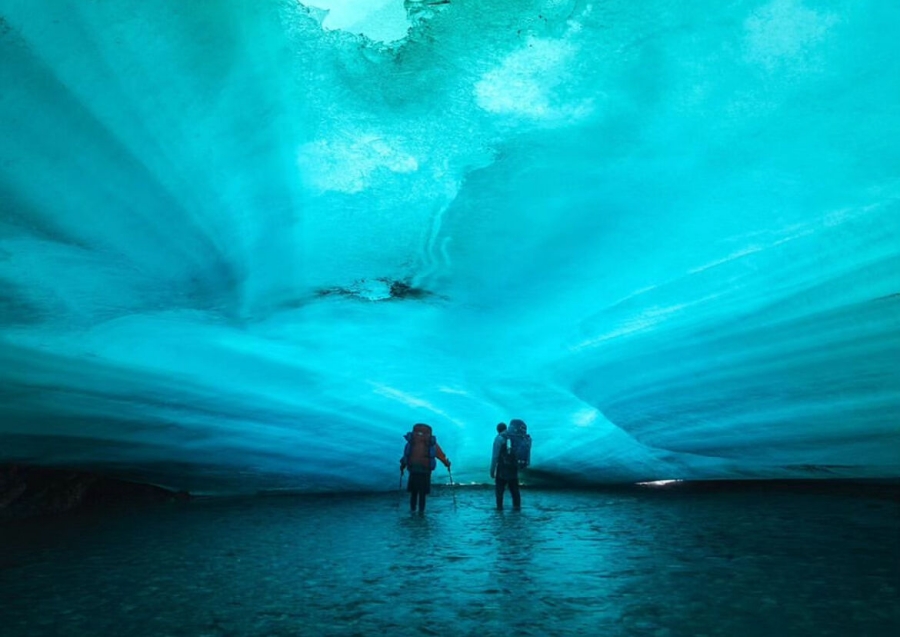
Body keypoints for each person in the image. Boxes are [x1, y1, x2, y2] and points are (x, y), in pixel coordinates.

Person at [400, 423, 450, 513]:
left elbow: (406, 455)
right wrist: (447, 464)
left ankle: (412, 511)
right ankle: (421, 512)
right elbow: (440, 455)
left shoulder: (411, 442)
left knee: (413, 493)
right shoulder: (431, 443)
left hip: (413, 470)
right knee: (422, 493)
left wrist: (403, 466)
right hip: (425, 471)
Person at [491, 422, 521, 510]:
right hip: (513, 469)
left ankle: (499, 510)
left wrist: (492, 470)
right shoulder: (513, 437)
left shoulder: (499, 438)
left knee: (499, 492)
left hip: (502, 469)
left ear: (498, 430)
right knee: (515, 492)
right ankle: (517, 511)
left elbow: (495, 456)